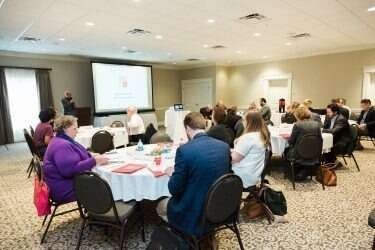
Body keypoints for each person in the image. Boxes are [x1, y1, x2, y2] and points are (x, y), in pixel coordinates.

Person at [156, 112, 231, 236]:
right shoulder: (224, 147)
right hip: (220, 205)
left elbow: (174, 189)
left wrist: (173, 174)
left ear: (187, 128)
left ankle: (181, 237)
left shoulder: (184, 151)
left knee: (160, 206)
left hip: (194, 210)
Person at [43, 116, 108, 203]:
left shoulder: (61, 139)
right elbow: (70, 170)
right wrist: (94, 161)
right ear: (65, 129)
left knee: (100, 180)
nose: (77, 131)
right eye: (74, 129)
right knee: (104, 184)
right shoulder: (61, 145)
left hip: (62, 183)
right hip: (64, 189)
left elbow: (76, 154)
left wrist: (90, 155)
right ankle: (100, 212)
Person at [231, 112, 269, 188]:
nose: (242, 122)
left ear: (249, 122)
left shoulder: (248, 138)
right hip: (254, 174)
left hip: (242, 176)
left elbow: (234, 159)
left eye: (244, 120)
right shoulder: (260, 135)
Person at [285, 106, 322, 180]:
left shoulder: (297, 125)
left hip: (299, 154)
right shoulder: (317, 125)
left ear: (298, 115)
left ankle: (292, 173)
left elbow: (291, 142)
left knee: (286, 150)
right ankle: (305, 170)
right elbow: (320, 140)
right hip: (314, 153)